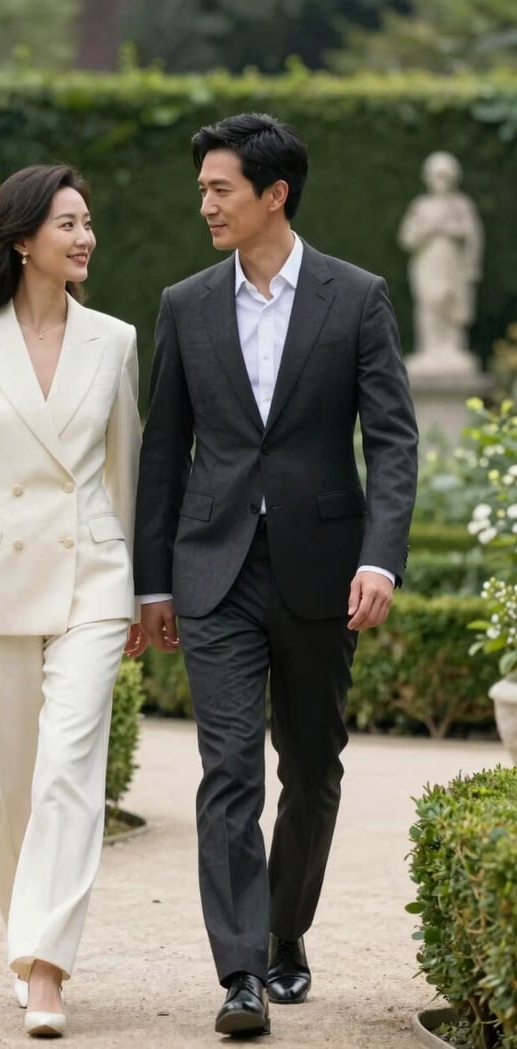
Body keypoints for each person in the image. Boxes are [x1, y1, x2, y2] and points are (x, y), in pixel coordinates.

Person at [134, 113, 418, 1038]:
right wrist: (153, 583)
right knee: (226, 768)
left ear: (274, 195)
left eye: (221, 188)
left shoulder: (358, 296)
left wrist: (380, 556)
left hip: (322, 572)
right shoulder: (185, 303)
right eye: (204, 188)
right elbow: (163, 452)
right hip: (212, 570)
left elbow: (392, 439)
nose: (205, 203)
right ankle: (242, 971)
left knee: (313, 766)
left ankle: (286, 932)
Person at [0, 163, 146, 1039]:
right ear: (22, 241)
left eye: (88, 221)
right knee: (9, 786)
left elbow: (126, 472)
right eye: (69, 224)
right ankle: (25, 935)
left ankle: (47, 968)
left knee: (68, 771)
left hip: (91, 579)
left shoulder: (115, 340)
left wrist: (136, 589)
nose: (85, 237)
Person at [398, 150, 483, 373]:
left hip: (453, 267)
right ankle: (430, 349)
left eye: (445, 176)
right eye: (436, 175)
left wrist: (457, 233)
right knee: (429, 303)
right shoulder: (421, 206)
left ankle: (452, 348)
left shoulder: (462, 206)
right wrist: (429, 229)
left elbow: (474, 238)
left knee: (451, 303)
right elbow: (407, 238)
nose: (440, 181)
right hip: (427, 265)